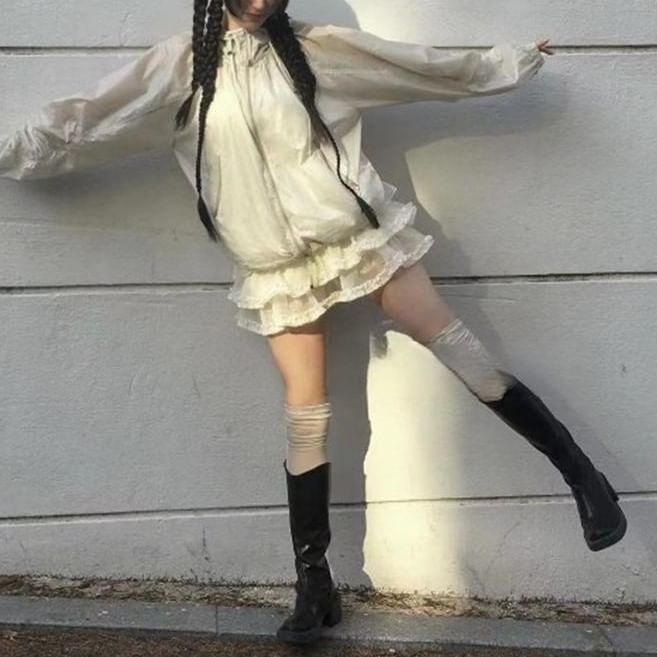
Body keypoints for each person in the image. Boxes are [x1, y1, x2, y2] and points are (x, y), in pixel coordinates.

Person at [0, 0, 627, 646]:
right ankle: (315, 582)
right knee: (305, 415)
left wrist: (508, 64)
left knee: (459, 348)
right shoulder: (178, 68)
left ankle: (582, 476)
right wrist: (10, 150)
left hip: (356, 239)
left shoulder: (315, 49)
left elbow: (417, 69)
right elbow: (88, 121)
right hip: (275, 267)